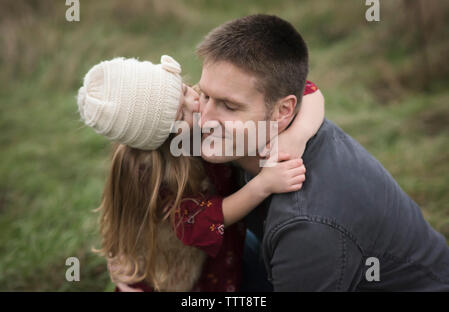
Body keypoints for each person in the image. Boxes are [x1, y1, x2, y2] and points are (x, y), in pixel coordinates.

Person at [196, 14, 449, 291]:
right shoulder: (262, 131)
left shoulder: (306, 225)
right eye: (205, 96)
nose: (204, 120)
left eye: (229, 107)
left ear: (283, 111)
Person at [76, 55, 325, 291]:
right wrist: (262, 185)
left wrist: (296, 136)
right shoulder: (160, 175)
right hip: (189, 276)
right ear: (163, 139)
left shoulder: (202, 103)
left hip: (231, 247)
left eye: (184, 90)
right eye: (180, 115)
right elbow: (201, 223)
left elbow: (308, 91)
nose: (194, 104)